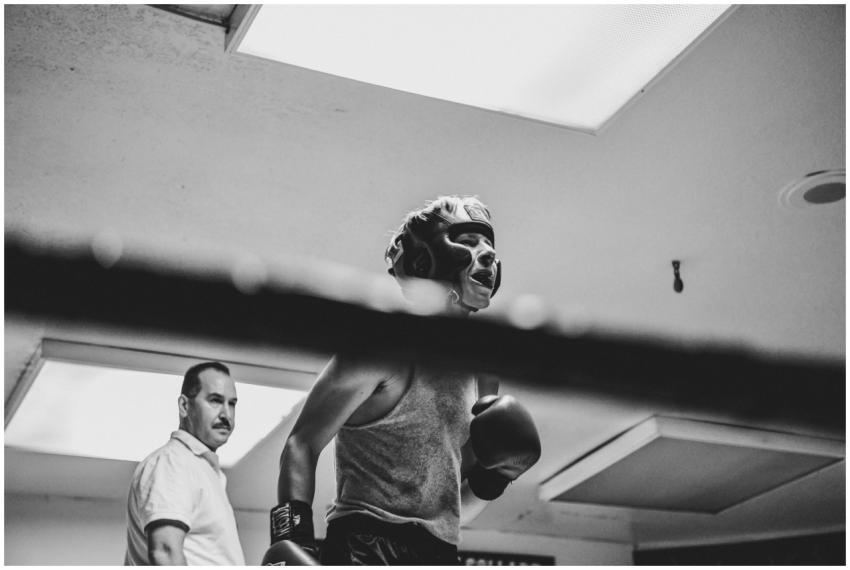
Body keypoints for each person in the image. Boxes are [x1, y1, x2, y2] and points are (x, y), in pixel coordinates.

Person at [263, 196, 541, 565]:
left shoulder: (482, 371)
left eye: (489, 244)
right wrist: (291, 541)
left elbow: (455, 506)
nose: (488, 254)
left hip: (440, 553)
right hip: (364, 545)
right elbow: (301, 442)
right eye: (469, 242)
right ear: (424, 258)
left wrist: (498, 477)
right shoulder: (379, 347)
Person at [125, 361, 245, 565]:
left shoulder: (204, 470)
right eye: (215, 401)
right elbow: (165, 552)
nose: (226, 414)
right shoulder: (173, 462)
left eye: (232, 403)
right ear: (184, 406)